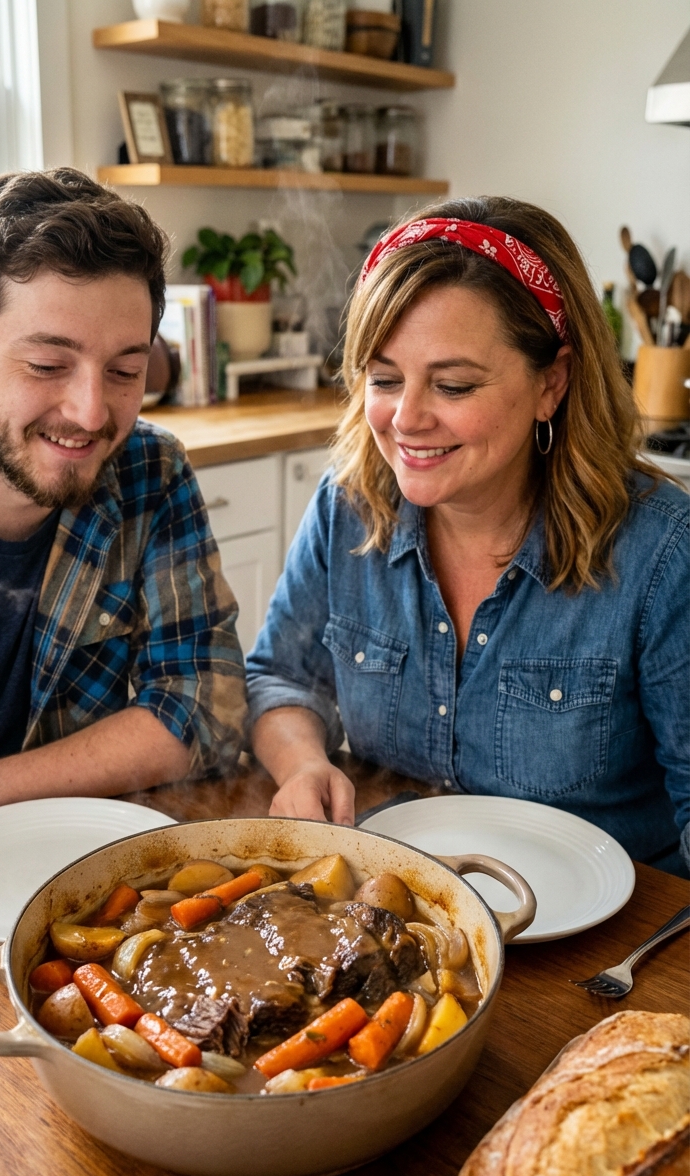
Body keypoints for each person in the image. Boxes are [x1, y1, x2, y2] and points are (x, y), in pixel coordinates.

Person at [247, 196, 689, 875]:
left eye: (453, 385)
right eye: (385, 379)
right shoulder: (348, 508)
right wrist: (303, 763)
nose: (406, 419)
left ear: (553, 383)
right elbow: (278, 678)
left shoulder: (661, 551)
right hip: (397, 906)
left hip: (608, 951)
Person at [0, 168, 246, 876]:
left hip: (69, 885)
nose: (92, 413)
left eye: (125, 371)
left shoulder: (152, 474)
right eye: (48, 364)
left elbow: (205, 710)